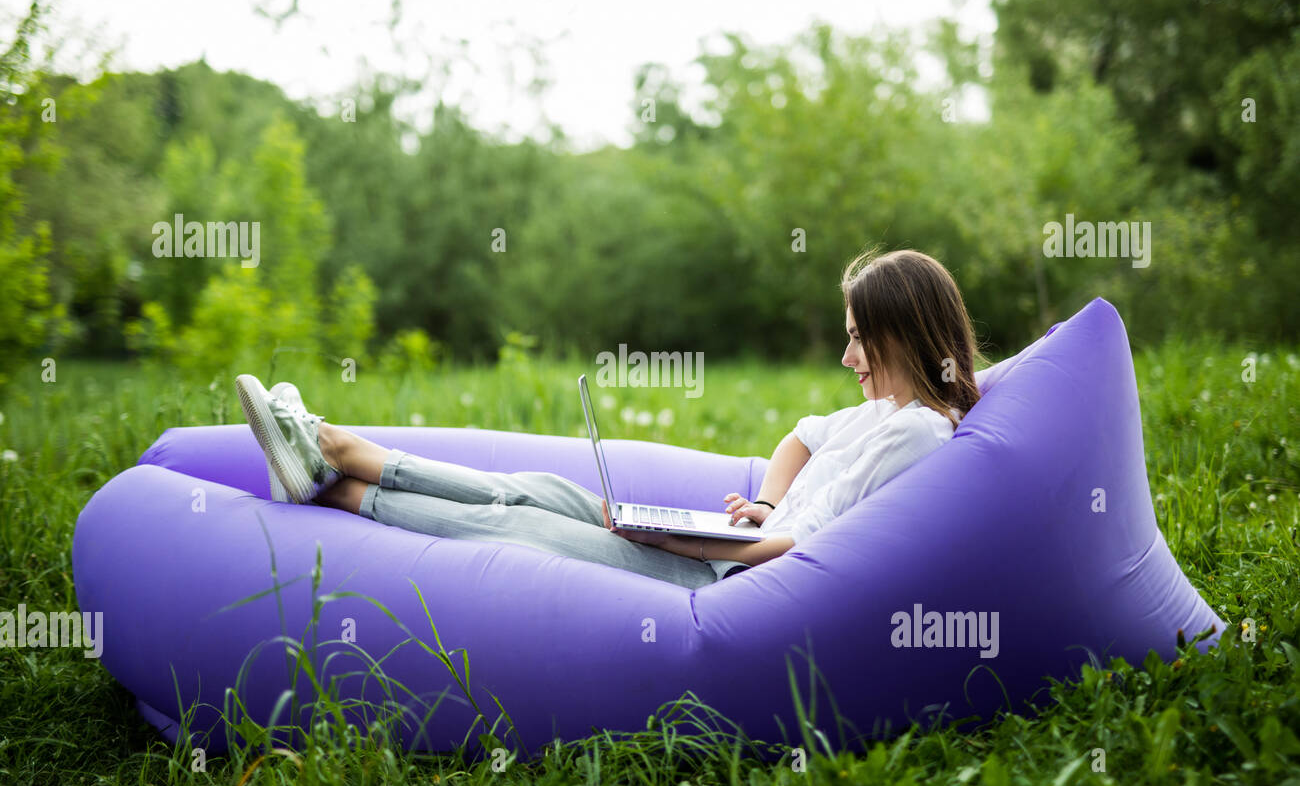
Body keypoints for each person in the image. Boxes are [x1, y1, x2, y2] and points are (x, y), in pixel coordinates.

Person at [235, 248, 984, 590]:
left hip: (727, 579)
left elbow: (810, 555)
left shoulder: (917, 434)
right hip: (733, 544)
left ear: (899, 335)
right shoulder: (881, 409)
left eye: (859, 337)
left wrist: (689, 547)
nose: (849, 356)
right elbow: (799, 437)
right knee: (536, 489)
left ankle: (330, 478)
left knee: (519, 528)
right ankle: (335, 450)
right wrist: (764, 506)